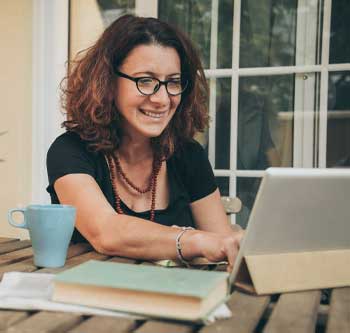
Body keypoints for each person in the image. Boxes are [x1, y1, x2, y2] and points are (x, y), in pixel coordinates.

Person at [46, 14, 243, 272]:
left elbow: (222, 245)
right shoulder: (70, 151)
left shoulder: (189, 155)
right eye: (146, 80)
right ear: (108, 81)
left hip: (175, 302)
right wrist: (193, 239)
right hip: (90, 302)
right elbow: (106, 232)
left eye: (172, 82)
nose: (162, 99)